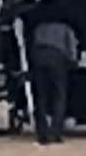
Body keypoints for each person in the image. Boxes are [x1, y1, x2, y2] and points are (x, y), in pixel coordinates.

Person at [28, 17, 77, 145]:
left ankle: (42, 133)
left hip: (39, 58)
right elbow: (72, 50)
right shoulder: (66, 28)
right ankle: (56, 133)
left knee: (41, 97)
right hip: (57, 58)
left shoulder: (39, 27)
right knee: (59, 96)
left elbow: (32, 46)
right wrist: (72, 64)